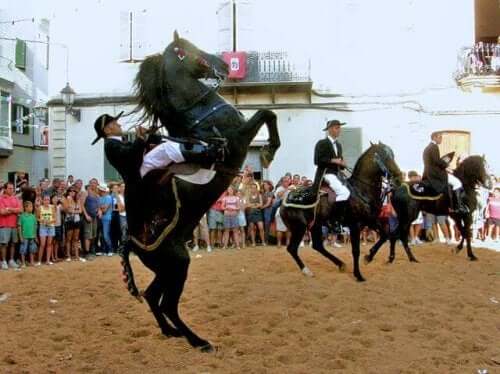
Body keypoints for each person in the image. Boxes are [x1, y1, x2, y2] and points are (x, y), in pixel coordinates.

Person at [314, 119, 350, 222]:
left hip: (337, 174)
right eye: (337, 128)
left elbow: (339, 162)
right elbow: (317, 160)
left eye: (339, 128)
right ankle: (334, 219)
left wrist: (343, 164)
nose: (339, 130)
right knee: (344, 193)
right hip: (326, 174)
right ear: (330, 129)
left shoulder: (338, 145)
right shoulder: (321, 143)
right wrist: (333, 160)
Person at [422, 132, 467, 214]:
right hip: (435, 174)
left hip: (428, 173)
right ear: (434, 137)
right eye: (440, 137)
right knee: (457, 183)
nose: (441, 139)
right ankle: (458, 207)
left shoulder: (427, 148)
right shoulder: (434, 147)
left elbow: (434, 162)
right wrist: (447, 166)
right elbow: (437, 161)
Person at [0, 182, 22, 269]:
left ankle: (11, 260)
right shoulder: (1, 199)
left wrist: (9, 209)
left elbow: (20, 210)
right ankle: (4, 261)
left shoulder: (15, 198)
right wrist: (14, 210)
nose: (11, 190)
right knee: (4, 244)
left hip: (14, 225)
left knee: (13, 244)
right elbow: (2, 212)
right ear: (5, 189)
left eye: (12, 188)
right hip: (4, 225)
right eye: (9, 188)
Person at [63, 188, 84, 262]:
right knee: (69, 239)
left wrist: (73, 211)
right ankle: (68, 255)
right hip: (69, 220)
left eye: (73, 191)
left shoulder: (78, 200)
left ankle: (77, 255)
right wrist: (75, 210)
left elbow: (80, 211)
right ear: (68, 192)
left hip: (77, 220)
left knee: (76, 238)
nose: (72, 192)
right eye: (70, 191)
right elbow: (68, 210)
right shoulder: (66, 200)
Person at [36, 194, 56, 265]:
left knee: (49, 244)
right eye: (45, 200)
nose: (47, 201)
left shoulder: (52, 207)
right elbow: (37, 218)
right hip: (43, 227)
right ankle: (39, 261)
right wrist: (42, 221)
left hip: (51, 226)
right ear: (43, 201)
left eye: (48, 200)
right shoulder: (40, 208)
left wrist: (50, 221)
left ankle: (48, 260)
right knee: (42, 244)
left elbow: (54, 218)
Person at [17, 201, 37, 267]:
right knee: (23, 250)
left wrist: (35, 235)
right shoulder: (22, 216)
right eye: (30, 207)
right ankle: (23, 263)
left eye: (32, 206)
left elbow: (35, 226)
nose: (32, 208)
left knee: (32, 249)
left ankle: (32, 262)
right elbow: (19, 227)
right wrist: (20, 237)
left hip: (32, 236)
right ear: (25, 208)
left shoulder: (33, 216)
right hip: (24, 236)